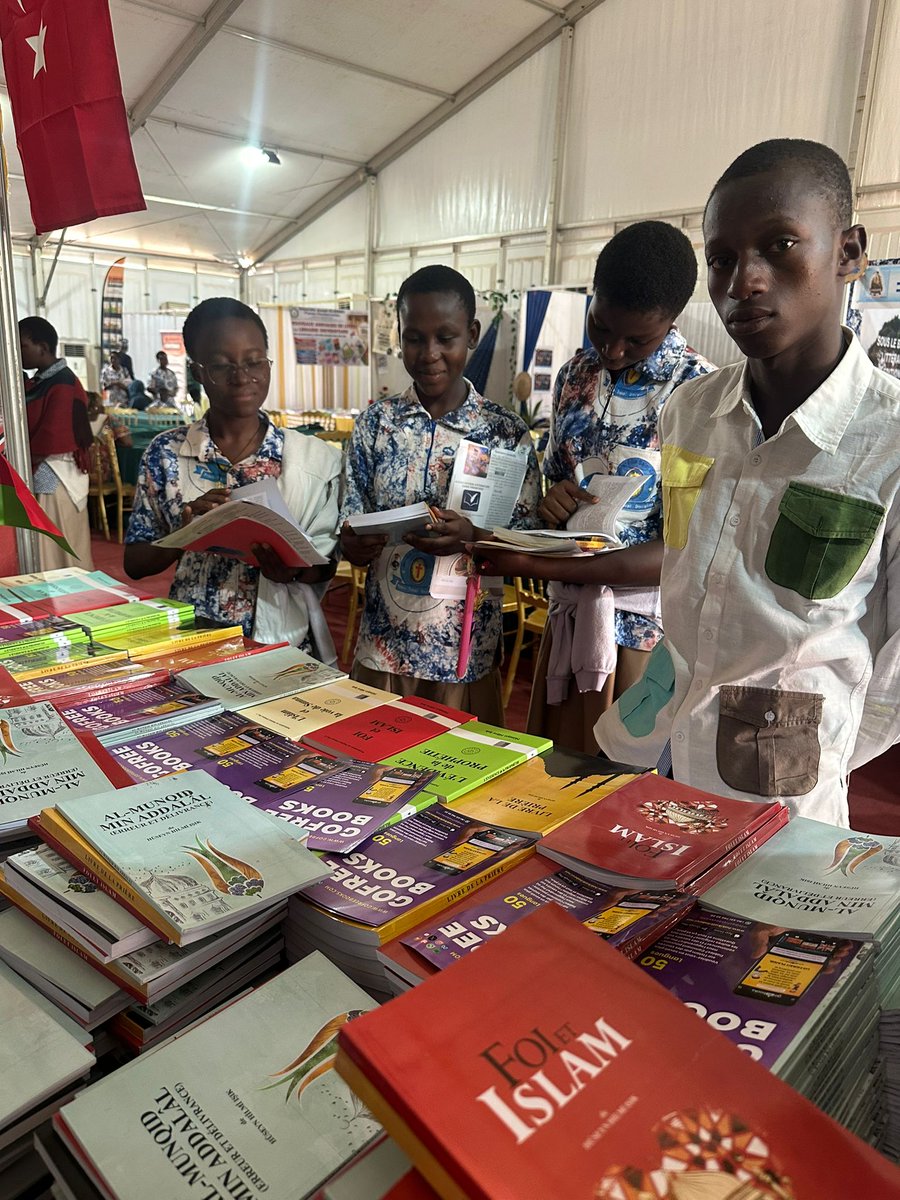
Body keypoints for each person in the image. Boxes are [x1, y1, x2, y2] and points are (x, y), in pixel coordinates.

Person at [593, 138, 900, 827]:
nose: (744, 282)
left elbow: (896, 677)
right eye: (722, 259)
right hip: (663, 742)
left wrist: (812, 742)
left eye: (780, 245)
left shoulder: (889, 441)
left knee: (754, 934)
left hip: (784, 788)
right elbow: (682, 569)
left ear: (849, 252)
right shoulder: (691, 412)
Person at [476, 222, 715, 752]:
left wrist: (541, 566)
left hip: (644, 640)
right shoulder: (574, 377)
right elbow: (555, 490)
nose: (612, 350)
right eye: (601, 328)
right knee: (552, 783)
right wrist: (552, 504)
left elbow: (686, 550)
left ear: (673, 319)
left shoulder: (701, 394)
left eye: (638, 339)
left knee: (621, 796)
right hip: (569, 616)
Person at [340, 265, 541, 724]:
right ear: (400, 336)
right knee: (370, 781)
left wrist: (473, 535)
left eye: (445, 337)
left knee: (459, 786)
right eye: (414, 337)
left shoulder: (505, 433)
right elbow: (350, 527)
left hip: (463, 654)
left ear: (471, 334)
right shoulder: (376, 425)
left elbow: (526, 542)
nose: (429, 354)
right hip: (384, 649)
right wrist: (354, 544)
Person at [123, 298, 341, 650]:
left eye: (255, 362)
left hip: (281, 642)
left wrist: (292, 571)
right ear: (198, 372)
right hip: (193, 637)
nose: (242, 378)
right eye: (223, 367)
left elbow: (326, 563)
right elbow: (135, 563)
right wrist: (185, 532)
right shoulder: (166, 453)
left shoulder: (307, 459)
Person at [18, 317, 94, 571]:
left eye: (23, 346)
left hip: (55, 474)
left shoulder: (62, 382)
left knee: (53, 544)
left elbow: (53, 436)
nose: (19, 353)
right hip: (45, 470)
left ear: (42, 346)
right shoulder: (41, 381)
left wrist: (23, 460)